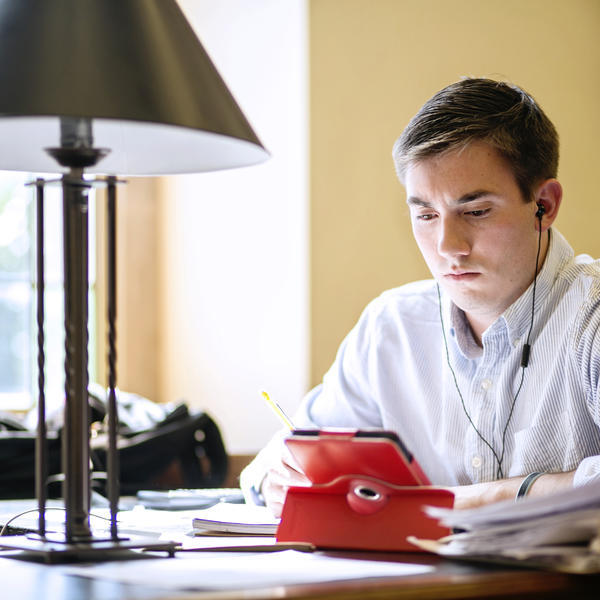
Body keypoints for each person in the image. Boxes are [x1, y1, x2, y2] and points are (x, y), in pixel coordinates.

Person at [240, 77, 600, 516]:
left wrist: (481, 499)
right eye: (426, 215)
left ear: (544, 203)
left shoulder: (591, 317)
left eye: (476, 211)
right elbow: (283, 454)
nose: (448, 246)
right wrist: (276, 478)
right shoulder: (391, 326)